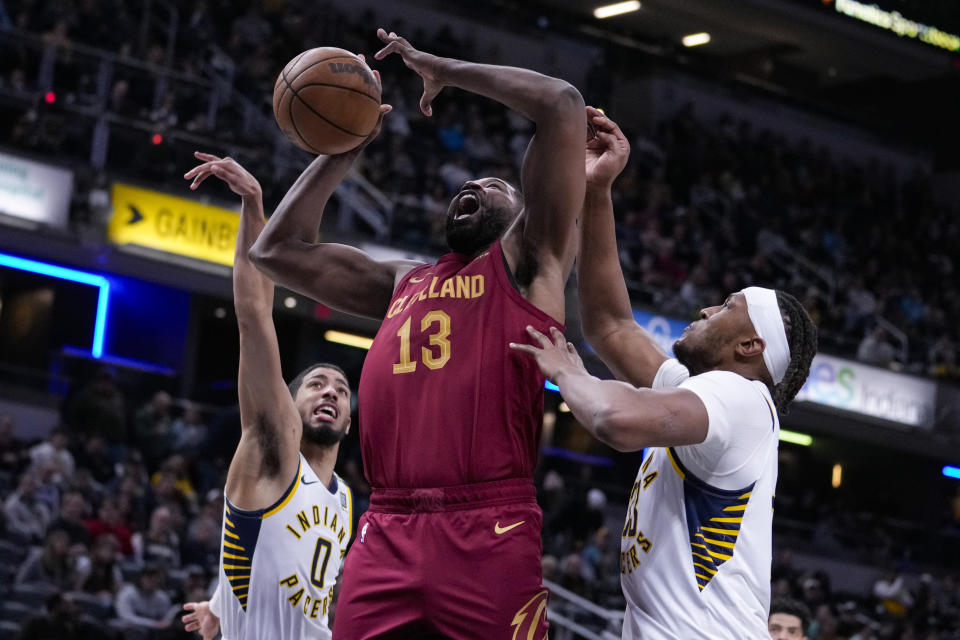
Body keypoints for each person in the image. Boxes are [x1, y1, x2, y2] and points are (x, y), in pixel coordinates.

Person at [250, 28, 585, 639]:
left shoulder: (530, 262)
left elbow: (562, 104)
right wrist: (346, 147)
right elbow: (275, 251)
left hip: (489, 526)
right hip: (388, 526)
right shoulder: (403, 281)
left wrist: (445, 69)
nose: (473, 187)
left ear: (522, 212)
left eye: (495, 186)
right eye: (468, 184)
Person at [511, 109, 818, 639]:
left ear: (750, 345)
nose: (705, 310)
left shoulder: (738, 398)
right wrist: (596, 190)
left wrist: (567, 371)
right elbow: (610, 325)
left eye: (725, 306)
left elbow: (615, 419)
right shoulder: (702, 394)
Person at [179, 153, 354, 640]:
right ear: (287, 404)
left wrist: (218, 604)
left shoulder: (346, 500)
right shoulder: (273, 452)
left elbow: (274, 560)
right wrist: (254, 205)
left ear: (349, 421)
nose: (331, 393)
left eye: (341, 390)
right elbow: (254, 316)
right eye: (316, 384)